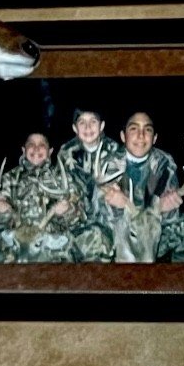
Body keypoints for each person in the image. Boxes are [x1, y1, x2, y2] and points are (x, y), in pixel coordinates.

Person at [102, 110, 184, 261]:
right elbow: (100, 212)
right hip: (121, 230)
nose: (141, 135)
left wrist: (168, 206)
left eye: (147, 130)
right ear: (123, 136)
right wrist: (115, 203)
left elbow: (169, 216)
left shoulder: (164, 162)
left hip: (152, 229)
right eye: (134, 129)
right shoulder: (109, 164)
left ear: (154, 138)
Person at [0, 131, 79, 263]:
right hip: (17, 246)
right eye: (31, 144)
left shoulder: (63, 179)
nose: (36, 148)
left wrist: (68, 210)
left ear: (50, 151)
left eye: (42, 145)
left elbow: (79, 218)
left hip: (51, 246)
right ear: (23, 150)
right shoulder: (10, 178)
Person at [57, 106, 127, 259]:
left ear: (101, 126)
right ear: (75, 128)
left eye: (93, 122)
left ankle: (111, 242)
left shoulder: (115, 150)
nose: (88, 127)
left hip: (106, 217)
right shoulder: (65, 152)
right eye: (82, 122)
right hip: (78, 215)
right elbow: (61, 184)